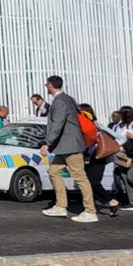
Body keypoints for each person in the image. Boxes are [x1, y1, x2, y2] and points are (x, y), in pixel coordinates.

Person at [39, 75, 97, 223]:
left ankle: (90, 211)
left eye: (46, 85)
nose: (46, 88)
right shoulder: (68, 98)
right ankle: (60, 205)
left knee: (79, 176)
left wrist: (47, 143)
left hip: (70, 145)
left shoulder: (59, 101)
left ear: (50, 85)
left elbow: (57, 123)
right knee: (53, 171)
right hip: (65, 146)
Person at [79, 103, 119, 217]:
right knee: (88, 182)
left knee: (93, 182)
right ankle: (91, 206)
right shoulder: (92, 124)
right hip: (92, 156)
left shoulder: (93, 125)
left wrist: (88, 156)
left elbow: (94, 142)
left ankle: (111, 200)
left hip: (97, 156)